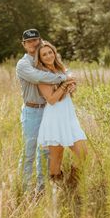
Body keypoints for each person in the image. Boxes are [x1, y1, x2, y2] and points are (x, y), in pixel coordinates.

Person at [16, 29, 75, 193]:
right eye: (29, 42)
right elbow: (38, 78)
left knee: (44, 152)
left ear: (39, 40)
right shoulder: (24, 64)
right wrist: (64, 78)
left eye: (35, 40)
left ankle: (41, 189)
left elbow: (61, 68)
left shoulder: (43, 60)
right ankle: (25, 189)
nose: (33, 44)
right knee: (29, 152)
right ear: (24, 45)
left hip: (49, 111)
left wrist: (68, 76)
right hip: (32, 111)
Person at [35, 40, 88, 183]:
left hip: (69, 117)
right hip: (54, 118)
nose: (48, 56)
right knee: (56, 157)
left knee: (82, 152)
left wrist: (72, 87)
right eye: (44, 54)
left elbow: (67, 92)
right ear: (40, 59)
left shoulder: (62, 71)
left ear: (54, 53)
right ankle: (56, 189)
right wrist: (65, 85)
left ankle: (72, 182)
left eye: (49, 52)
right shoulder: (42, 76)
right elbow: (51, 99)